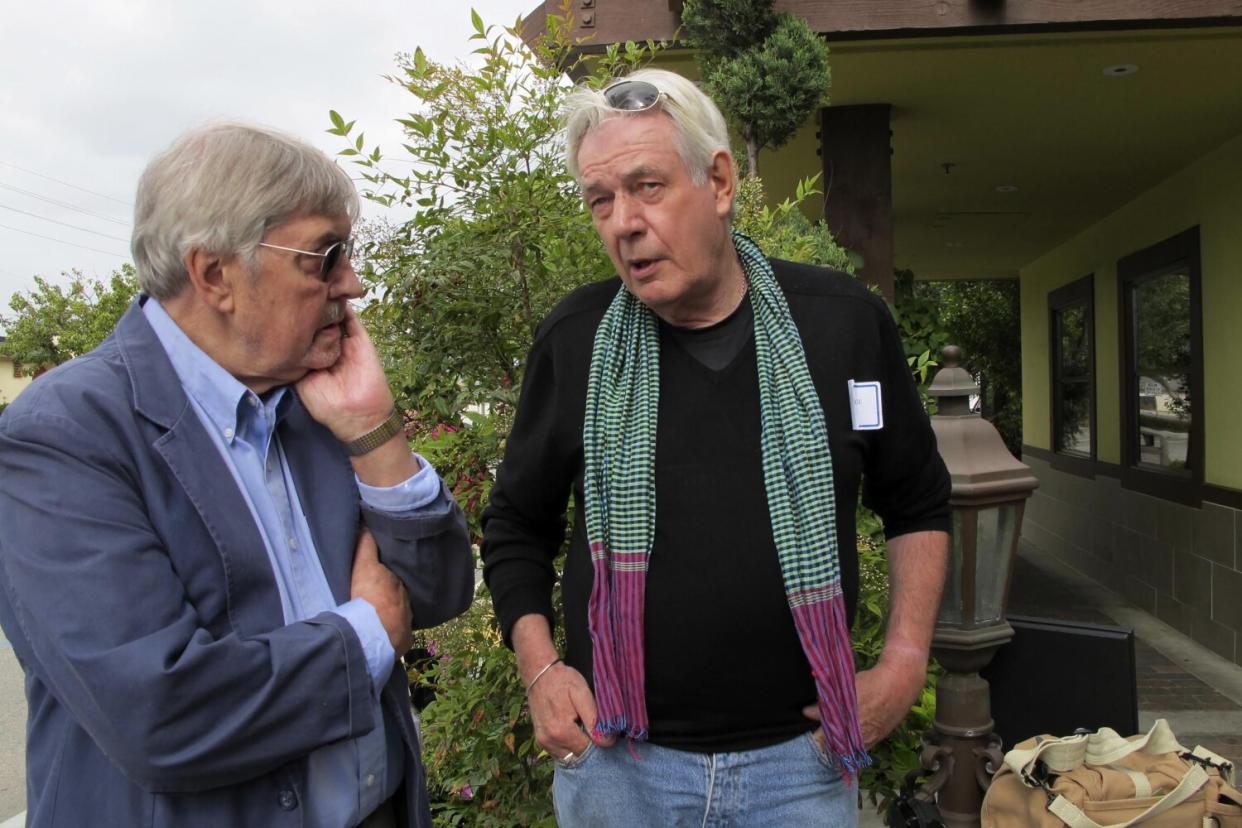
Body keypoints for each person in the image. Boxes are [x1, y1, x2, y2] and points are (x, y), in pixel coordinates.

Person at [481, 69, 952, 825]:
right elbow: (515, 525)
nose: (622, 223)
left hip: (802, 764)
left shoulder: (842, 325)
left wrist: (902, 662)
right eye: (601, 200)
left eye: (647, 187)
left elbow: (918, 498)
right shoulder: (576, 343)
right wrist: (540, 668)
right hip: (618, 767)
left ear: (721, 182)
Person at [0, 123, 474, 828]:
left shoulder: (317, 400)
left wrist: (375, 433)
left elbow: (440, 593)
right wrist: (367, 632)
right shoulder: (66, 433)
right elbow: (163, 711)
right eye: (325, 257)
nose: (354, 282)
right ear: (215, 274)